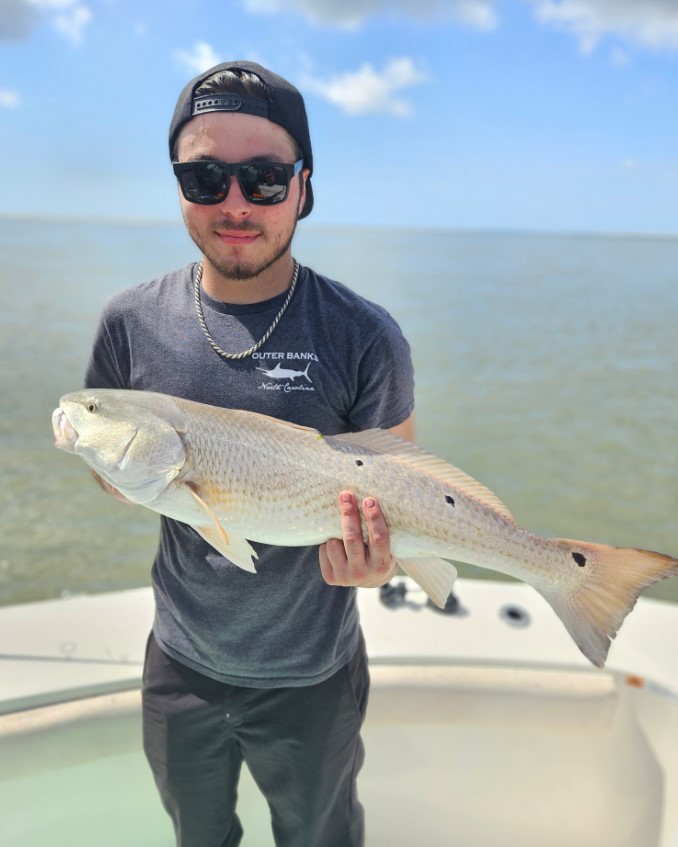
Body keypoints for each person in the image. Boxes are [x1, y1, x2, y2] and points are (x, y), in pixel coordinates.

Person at [84, 60, 415, 847]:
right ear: (178, 184)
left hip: (314, 676)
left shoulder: (364, 335)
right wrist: (136, 474)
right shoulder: (128, 321)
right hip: (179, 662)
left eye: (264, 179)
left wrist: (383, 559)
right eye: (204, 175)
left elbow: (401, 494)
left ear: (303, 185)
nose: (234, 204)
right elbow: (119, 471)